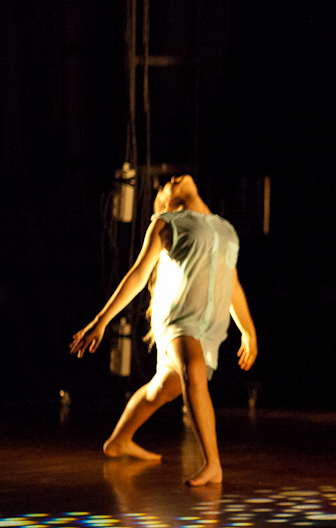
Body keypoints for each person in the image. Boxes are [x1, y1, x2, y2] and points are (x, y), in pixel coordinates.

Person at [70, 175, 257, 485]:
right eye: (166, 186)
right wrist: (102, 320)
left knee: (160, 390)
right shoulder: (167, 221)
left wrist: (247, 330)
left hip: (210, 328)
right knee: (194, 371)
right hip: (179, 319)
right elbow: (139, 274)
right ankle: (212, 464)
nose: (171, 178)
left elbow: (233, 285)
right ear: (168, 203)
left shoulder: (226, 229)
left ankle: (119, 440)